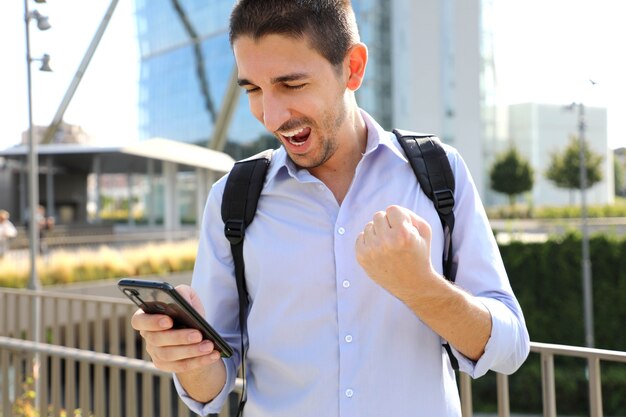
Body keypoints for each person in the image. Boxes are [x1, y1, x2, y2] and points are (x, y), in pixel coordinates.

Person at [131, 1, 530, 416]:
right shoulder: (231, 198)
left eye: (291, 84)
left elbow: (510, 349)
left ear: (353, 68)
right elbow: (212, 385)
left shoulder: (439, 173)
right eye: (253, 89)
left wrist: (421, 288)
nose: (270, 116)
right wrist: (189, 359)